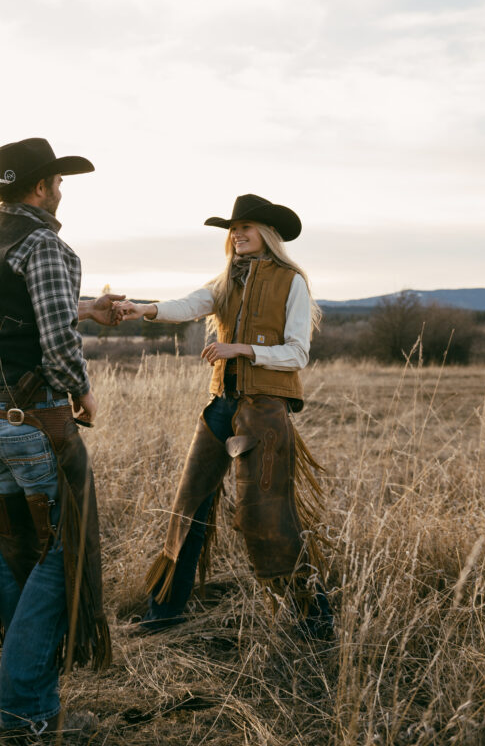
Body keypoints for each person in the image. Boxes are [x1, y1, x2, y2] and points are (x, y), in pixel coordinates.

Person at [0, 137, 121, 743]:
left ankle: (35, 706)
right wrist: (82, 390)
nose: (60, 193)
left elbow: (18, 315)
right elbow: (52, 341)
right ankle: (25, 716)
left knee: (14, 546)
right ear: (43, 186)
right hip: (37, 424)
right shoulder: (45, 244)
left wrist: (89, 310)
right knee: (58, 558)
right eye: (57, 183)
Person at [116, 194, 333, 639]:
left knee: (267, 516)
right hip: (221, 406)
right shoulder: (224, 281)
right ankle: (165, 613)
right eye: (232, 228)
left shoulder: (291, 281)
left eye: (245, 227)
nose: (236, 234)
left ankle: (314, 618)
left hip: (264, 410)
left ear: (266, 235)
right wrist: (144, 309)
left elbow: (298, 354)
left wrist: (242, 349)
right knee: (188, 508)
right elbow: (188, 305)